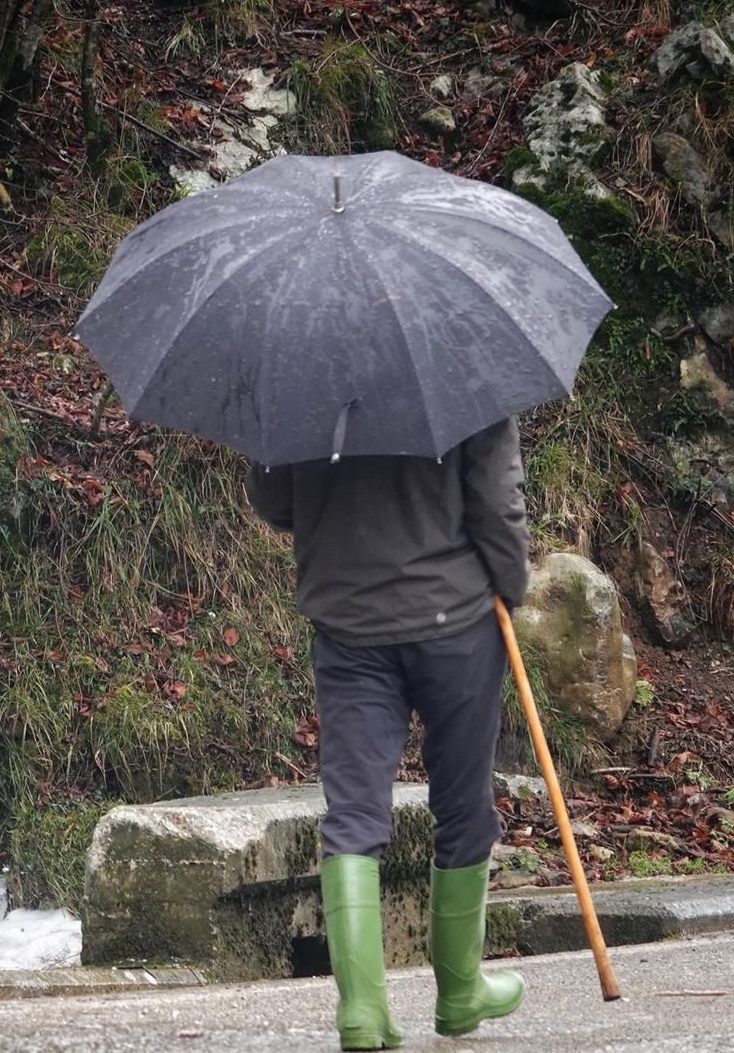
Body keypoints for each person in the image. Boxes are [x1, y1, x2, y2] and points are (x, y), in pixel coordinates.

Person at [246, 416, 530, 1052]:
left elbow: (274, 499)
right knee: (462, 806)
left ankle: (362, 1011)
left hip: (349, 629)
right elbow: (496, 502)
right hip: (455, 623)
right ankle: (459, 993)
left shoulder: (302, 378)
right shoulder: (464, 372)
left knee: (352, 814)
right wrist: (512, 588)